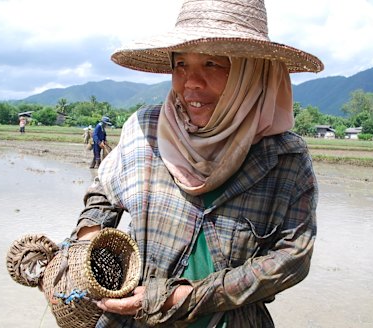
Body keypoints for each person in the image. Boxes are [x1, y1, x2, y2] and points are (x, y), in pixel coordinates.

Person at [71, 0, 323, 326]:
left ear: (250, 71)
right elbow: (104, 190)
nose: (191, 82)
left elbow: (294, 257)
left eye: (211, 63)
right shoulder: (146, 130)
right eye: (180, 65)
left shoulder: (284, 159)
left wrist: (188, 297)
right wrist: (88, 239)